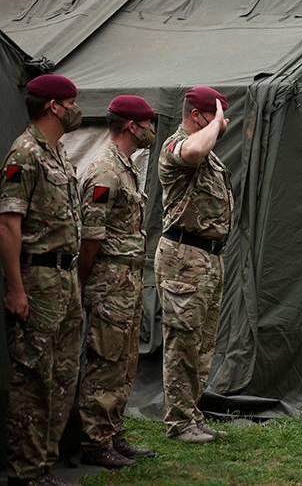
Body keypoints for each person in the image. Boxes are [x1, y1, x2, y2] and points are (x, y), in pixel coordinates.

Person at [0, 74, 83, 485]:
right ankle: (26, 471)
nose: (76, 110)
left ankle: (45, 463)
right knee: (33, 377)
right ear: (53, 106)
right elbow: (8, 225)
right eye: (71, 103)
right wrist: (16, 288)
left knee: (63, 375)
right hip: (38, 278)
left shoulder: (59, 153)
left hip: (65, 278)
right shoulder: (26, 153)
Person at [77, 95, 157, 468]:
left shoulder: (127, 168)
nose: (151, 130)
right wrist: (84, 280)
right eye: (147, 124)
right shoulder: (106, 170)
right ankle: (95, 441)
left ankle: (112, 431)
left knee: (124, 361)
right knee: (105, 359)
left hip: (126, 279)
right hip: (109, 280)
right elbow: (91, 234)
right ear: (131, 126)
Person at [155, 86, 233, 443]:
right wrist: (216, 124)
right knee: (182, 342)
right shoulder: (177, 145)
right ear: (198, 116)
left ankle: (192, 414)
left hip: (208, 258)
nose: (225, 123)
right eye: (218, 116)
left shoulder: (209, 156)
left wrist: (214, 124)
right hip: (184, 258)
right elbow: (194, 150)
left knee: (202, 343)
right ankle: (179, 421)